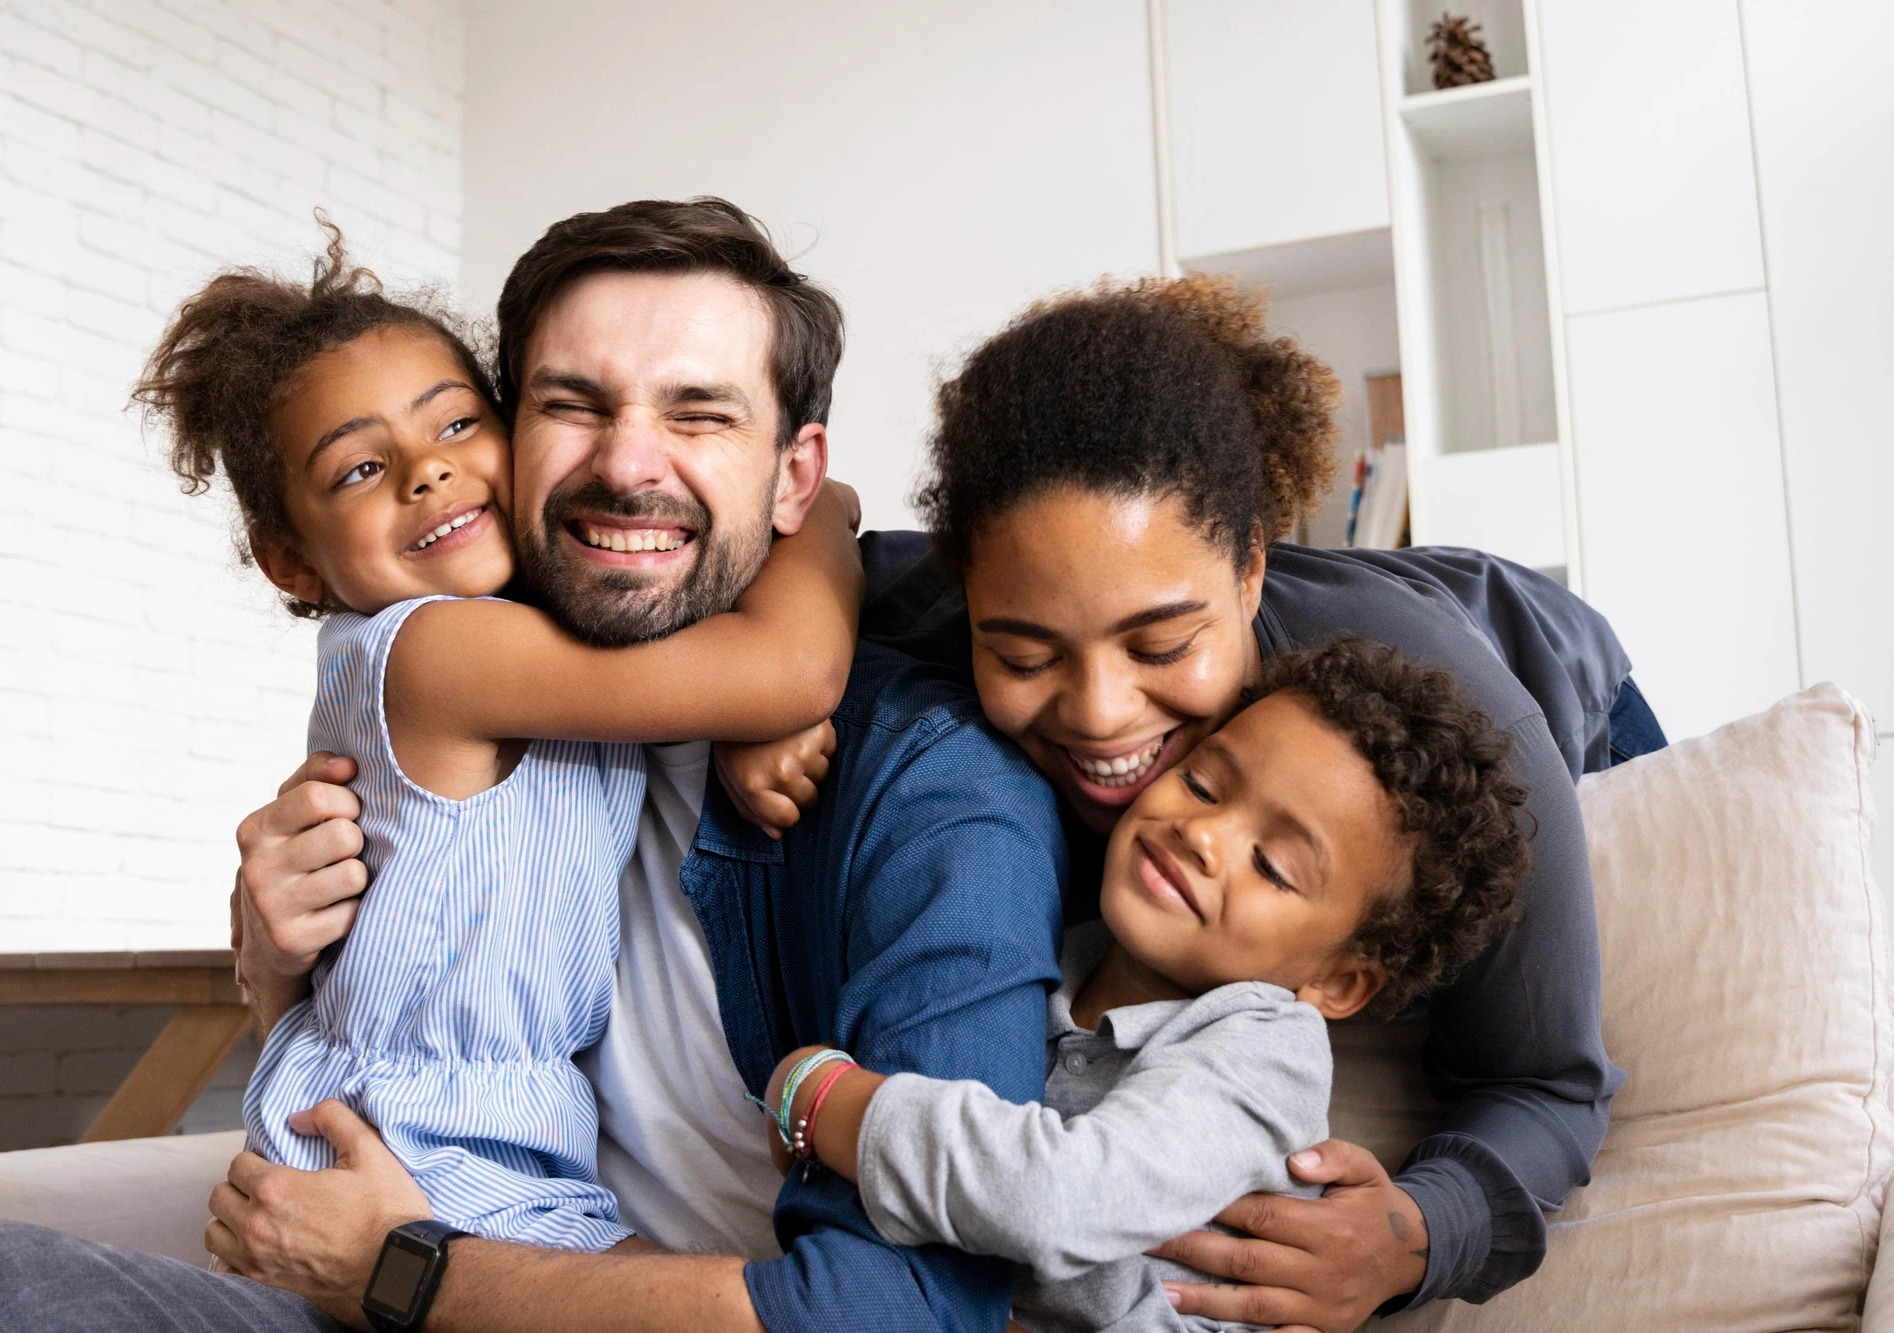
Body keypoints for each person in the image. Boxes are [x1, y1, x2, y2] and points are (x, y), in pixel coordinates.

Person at [0, 199, 1067, 1333]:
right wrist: (276, 963)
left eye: (700, 414)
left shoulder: (924, 794)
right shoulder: (483, 658)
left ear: (790, 468)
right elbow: (771, 674)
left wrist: (402, 1268)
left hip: (488, 1246)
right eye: (572, 403)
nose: (627, 463)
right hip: (449, 1186)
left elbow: (895, 1312)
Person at [845, 273, 1659, 1327]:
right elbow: (812, 536)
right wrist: (783, 690)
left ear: (1248, 577)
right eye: (1023, 651)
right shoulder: (975, 584)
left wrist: (1409, 1236)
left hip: (1538, 689)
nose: (1097, 715)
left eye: (1161, 644)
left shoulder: (1479, 721)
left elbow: (1547, 1086)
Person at [130, 223, 860, 1249]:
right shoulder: (438, 652)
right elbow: (789, 670)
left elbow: (723, 673)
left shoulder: (536, 645)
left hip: (487, 1135)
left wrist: (744, 724)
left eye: (456, 425)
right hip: (429, 1148)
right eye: (358, 469)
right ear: (291, 561)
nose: (425, 474)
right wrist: (820, 514)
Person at [760, 636, 1533, 1333]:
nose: (1202, 834)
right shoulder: (1043, 946)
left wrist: (820, 1098)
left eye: (1271, 866)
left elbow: (1059, 1201)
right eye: (1201, 784)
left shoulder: (1266, 1051)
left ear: (1338, 980)